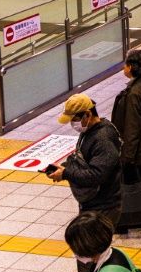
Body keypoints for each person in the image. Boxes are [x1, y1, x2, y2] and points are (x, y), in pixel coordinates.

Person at [52, 94, 123, 228]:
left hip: (104, 206)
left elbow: (97, 175)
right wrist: (64, 168)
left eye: (74, 119)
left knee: (92, 246)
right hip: (92, 202)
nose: (73, 124)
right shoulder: (89, 131)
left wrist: (66, 174)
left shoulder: (103, 139)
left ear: (87, 114)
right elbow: (83, 160)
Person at [109, 50, 141, 234]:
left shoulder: (134, 94)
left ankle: (124, 221)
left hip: (135, 149)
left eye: (126, 64)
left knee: (127, 185)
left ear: (132, 67)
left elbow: (132, 127)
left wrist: (126, 156)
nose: (124, 67)